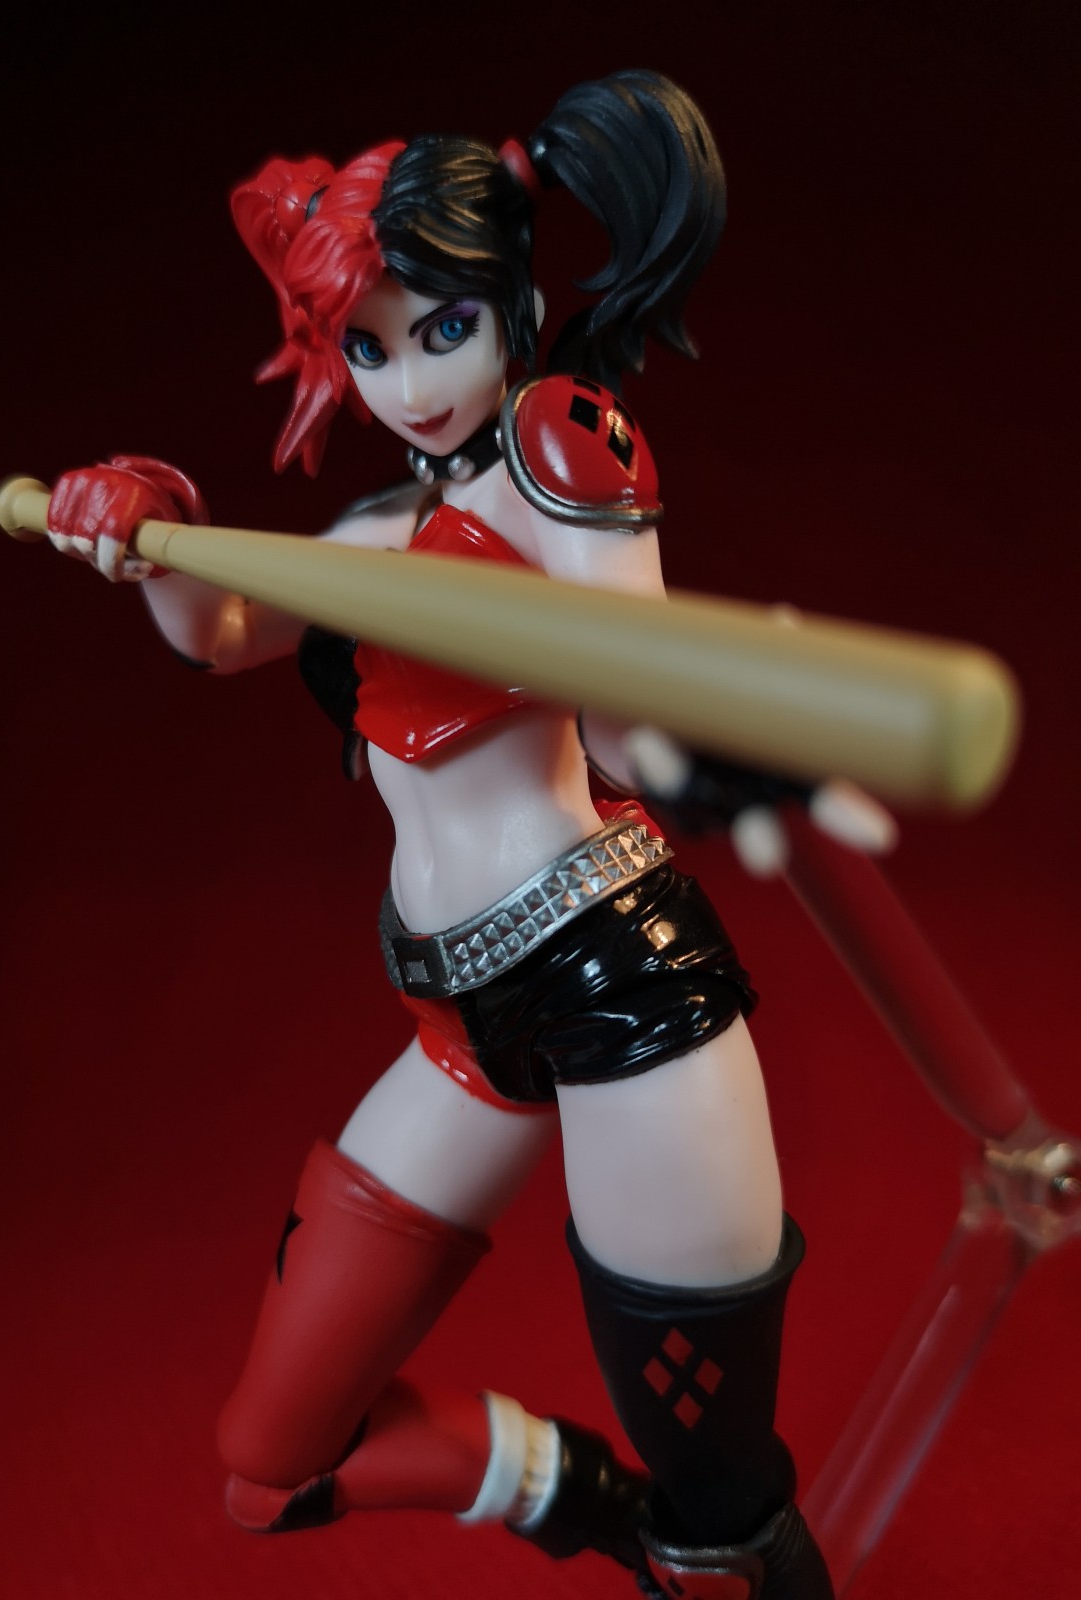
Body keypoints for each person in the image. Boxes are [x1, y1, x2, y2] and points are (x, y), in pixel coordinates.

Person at [44, 70, 834, 1600]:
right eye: (369, 344)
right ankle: (585, 1503)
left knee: (726, 1508)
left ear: (516, 305)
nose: (408, 384)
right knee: (275, 1462)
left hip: (619, 984)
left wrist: (722, 743)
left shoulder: (561, 457)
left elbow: (636, 702)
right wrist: (139, 521)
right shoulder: (366, 535)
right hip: (458, 1018)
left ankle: (686, 1539)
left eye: (443, 329)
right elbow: (220, 630)